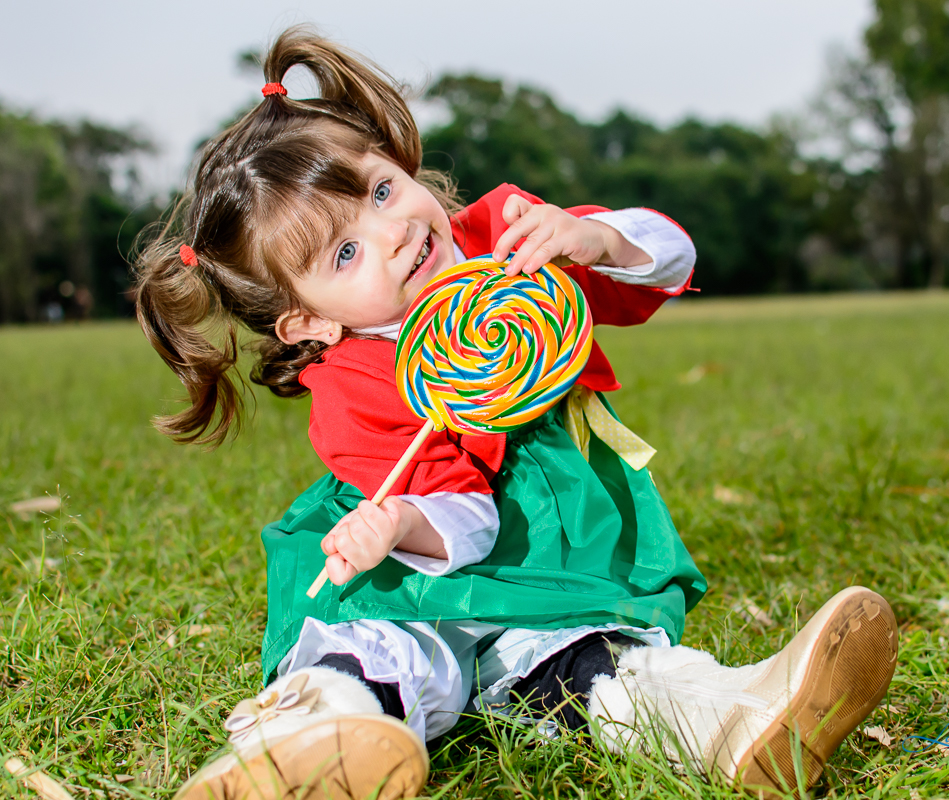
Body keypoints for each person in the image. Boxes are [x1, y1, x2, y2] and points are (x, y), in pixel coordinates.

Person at [134, 26, 899, 800]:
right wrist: (397, 525)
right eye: (344, 254)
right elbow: (465, 518)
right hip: (412, 558)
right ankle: (308, 744)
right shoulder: (353, 387)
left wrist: (597, 238)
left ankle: (727, 719)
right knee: (377, 651)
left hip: (553, 545)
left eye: (381, 191)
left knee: (590, 661)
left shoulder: (513, 245)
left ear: (398, 163)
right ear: (309, 322)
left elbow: (673, 261)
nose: (392, 232)